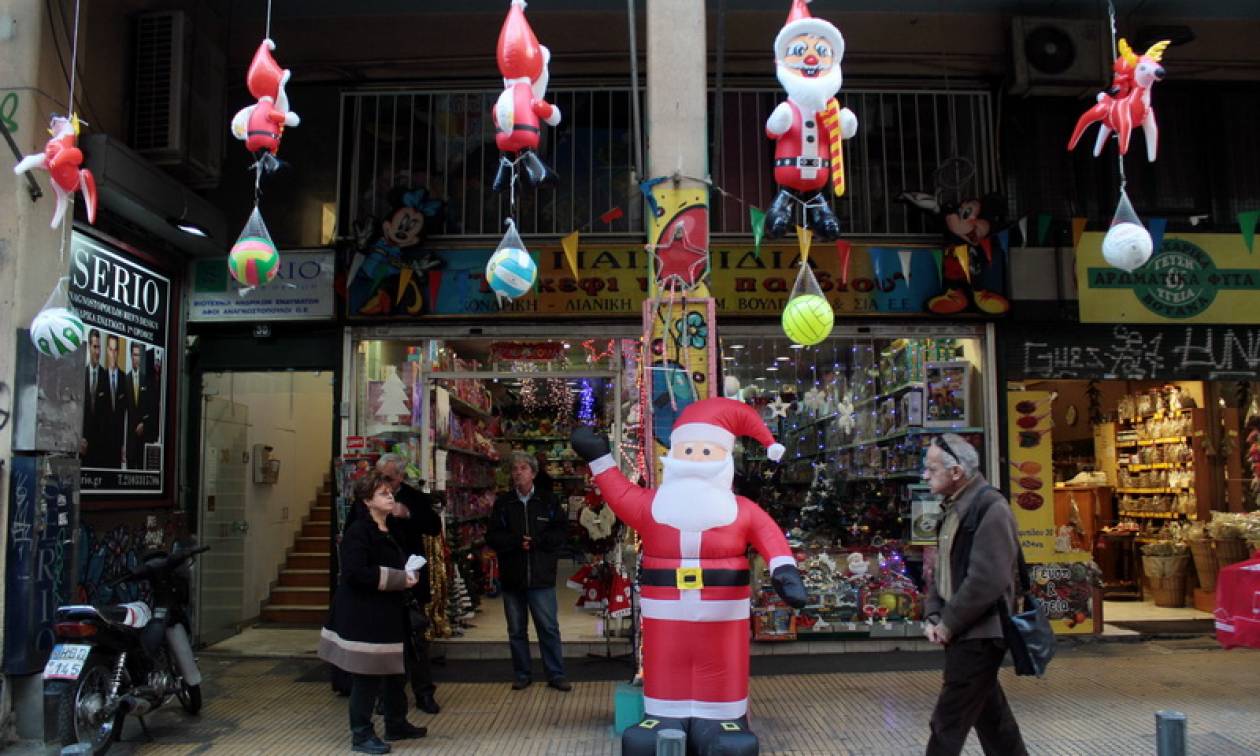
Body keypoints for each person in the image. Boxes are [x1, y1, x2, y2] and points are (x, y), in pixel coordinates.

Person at [570, 398, 808, 755]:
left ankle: (725, 719)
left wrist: (784, 570)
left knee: (723, 662)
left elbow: (770, 537)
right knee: (666, 661)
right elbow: (620, 495)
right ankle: (664, 715)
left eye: (706, 450)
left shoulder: (741, 510)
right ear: (676, 454)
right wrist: (599, 459)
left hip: (723, 613)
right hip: (666, 612)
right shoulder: (654, 505)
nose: (696, 457)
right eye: (689, 449)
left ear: (725, 457)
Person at [921, 434, 1028, 756]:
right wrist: (933, 612)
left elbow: (987, 579)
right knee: (993, 720)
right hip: (966, 632)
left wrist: (949, 622)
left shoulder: (989, 508)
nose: (926, 475)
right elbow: (941, 571)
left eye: (932, 468)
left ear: (956, 473)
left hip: (980, 635)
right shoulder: (954, 508)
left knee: (947, 723)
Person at [318, 471, 428, 754]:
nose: (390, 496)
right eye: (382, 493)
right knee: (366, 677)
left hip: (390, 612)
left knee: (395, 672)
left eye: (390, 492)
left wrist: (407, 574)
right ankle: (361, 734)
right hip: (366, 615)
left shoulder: (390, 527)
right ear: (367, 501)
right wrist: (398, 578)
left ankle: (396, 722)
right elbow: (355, 573)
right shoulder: (359, 531)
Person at [485, 451, 571, 691]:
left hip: (541, 577)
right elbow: (492, 535)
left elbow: (561, 532)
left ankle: (556, 674)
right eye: (514, 469)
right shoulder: (504, 503)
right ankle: (522, 674)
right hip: (513, 578)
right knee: (516, 630)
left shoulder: (548, 501)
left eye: (523, 468)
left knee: (548, 628)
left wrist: (538, 543)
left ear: (533, 473)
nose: (518, 473)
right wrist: (515, 542)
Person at [376, 453, 443, 715]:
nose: (384, 483)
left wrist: (408, 514)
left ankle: (424, 692)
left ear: (401, 477)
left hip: (411, 578)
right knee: (385, 641)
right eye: (380, 477)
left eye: (389, 478)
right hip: (382, 577)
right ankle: (386, 695)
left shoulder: (414, 498)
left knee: (416, 639)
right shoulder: (371, 497)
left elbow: (433, 527)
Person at [123, 342, 155, 470]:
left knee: (142, 468)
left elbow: (151, 408)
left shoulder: (146, 380)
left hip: (143, 437)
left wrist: (144, 423)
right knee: (130, 469)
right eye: (135, 355)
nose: (137, 358)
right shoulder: (125, 380)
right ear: (131, 356)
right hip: (130, 438)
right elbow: (122, 412)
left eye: (139, 355)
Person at [81, 329, 107, 467]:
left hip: (102, 449)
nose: (97, 352)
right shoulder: (81, 375)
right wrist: (79, 437)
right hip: (83, 447)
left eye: (99, 347)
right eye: (95, 347)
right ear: (89, 347)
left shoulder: (106, 377)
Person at [102, 334, 127, 468]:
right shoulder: (101, 377)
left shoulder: (124, 379)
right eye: (110, 350)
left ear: (118, 352)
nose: (113, 353)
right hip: (103, 442)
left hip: (118, 443)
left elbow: (126, 415)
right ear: (107, 351)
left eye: (115, 350)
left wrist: (124, 444)